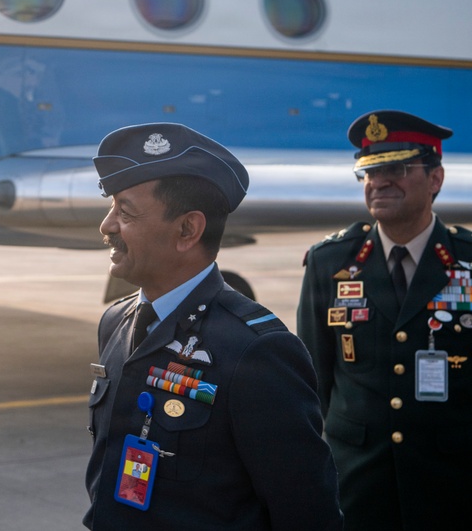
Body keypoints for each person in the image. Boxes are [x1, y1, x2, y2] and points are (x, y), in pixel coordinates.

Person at [84, 123, 342, 530]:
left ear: (188, 229)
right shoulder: (116, 321)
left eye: (126, 212)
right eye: (112, 207)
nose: (107, 225)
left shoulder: (255, 351)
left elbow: (308, 513)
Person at [297, 110, 471, 531]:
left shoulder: (467, 260)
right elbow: (312, 382)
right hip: (358, 484)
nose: (378, 182)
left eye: (395, 169)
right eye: (369, 172)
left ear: (435, 179)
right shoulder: (331, 262)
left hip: (451, 486)